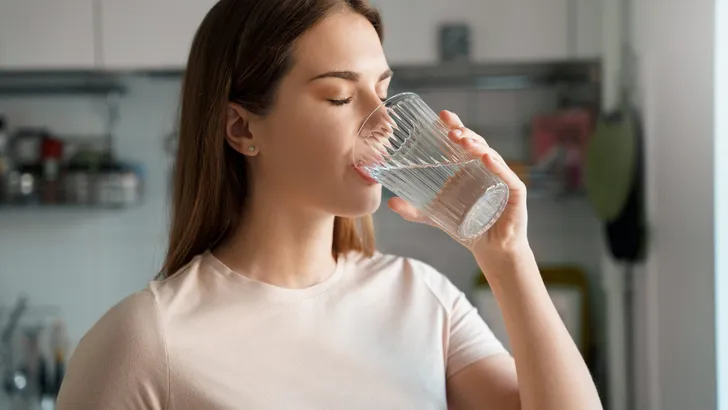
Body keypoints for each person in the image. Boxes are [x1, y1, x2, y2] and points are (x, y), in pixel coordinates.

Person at [56, 0, 602, 409]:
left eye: (383, 92)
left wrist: (507, 255)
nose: (384, 122)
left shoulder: (423, 300)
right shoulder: (148, 342)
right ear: (243, 128)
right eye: (340, 96)